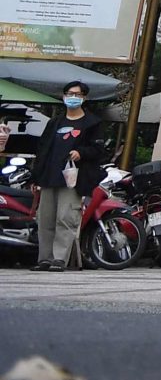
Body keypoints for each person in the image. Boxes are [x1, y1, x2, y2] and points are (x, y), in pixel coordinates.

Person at [33, 81, 111, 271]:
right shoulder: (55, 123)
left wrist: (81, 153)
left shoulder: (92, 123)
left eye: (77, 94)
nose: (72, 98)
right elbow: (42, 150)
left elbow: (98, 149)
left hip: (73, 179)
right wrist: (35, 177)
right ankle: (45, 258)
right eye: (69, 93)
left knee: (65, 218)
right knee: (45, 219)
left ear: (84, 98)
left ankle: (60, 259)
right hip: (49, 177)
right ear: (63, 96)